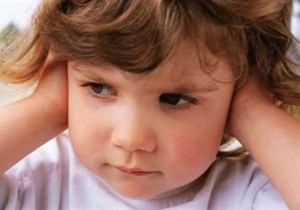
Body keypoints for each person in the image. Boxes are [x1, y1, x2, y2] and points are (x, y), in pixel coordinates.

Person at [0, 0, 300, 209]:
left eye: (174, 98)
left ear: (238, 90)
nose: (130, 139)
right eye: (100, 87)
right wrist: (47, 106)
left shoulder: (252, 193)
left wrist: (253, 112)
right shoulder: (37, 179)